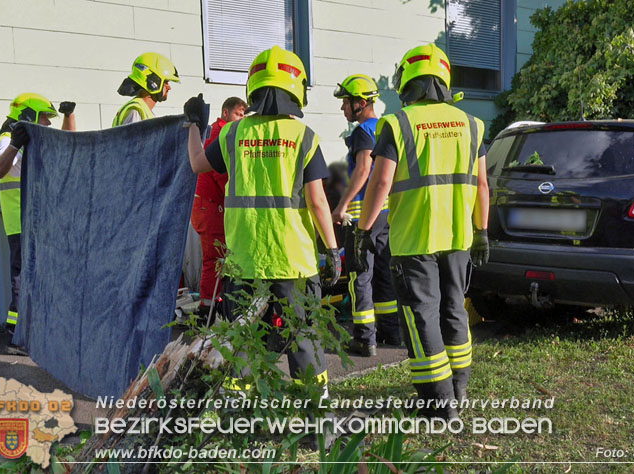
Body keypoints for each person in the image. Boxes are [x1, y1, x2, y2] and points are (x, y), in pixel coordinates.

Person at [184, 46, 340, 392]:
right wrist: (332, 249)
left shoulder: (233, 133)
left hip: (244, 261)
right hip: (294, 262)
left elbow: (197, 164)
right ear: (295, 89)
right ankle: (319, 427)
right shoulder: (304, 136)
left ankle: (241, 421)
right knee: (303, 343)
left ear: (253, 89)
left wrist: (194, 124)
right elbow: (317, 200)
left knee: (242, 345)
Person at [354, 43, 490, 418]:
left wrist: (364, 231)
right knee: (454, 309)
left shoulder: (396, 124)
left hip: (414, 239)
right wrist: (482, 231)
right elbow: (482, 185)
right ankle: (458, 390)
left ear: (407, 83)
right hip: (460, 236)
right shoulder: (472, 124)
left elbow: (380, 184)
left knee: (421, 315)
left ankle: (439, 403)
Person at [0, 93, 77, 355]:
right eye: (44, 118)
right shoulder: (7, 140)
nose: (48, 125)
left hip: (38, 222)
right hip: (20, 223)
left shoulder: (33, 143)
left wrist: (68, 116)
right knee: (22, 281)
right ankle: (16, 338)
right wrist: (15, 144)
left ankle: (35, 334)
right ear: (28, 117)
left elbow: (65, 145)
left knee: (41, 280)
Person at [331, 74, 401, 357]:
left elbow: (362, 171)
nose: (342, 108)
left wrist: (341, 206)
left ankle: (364, 338)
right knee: (383, 273)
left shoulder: (362, 132)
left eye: (345, 102)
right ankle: (390, 331)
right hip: (383, 213)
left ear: (360, 103)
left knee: (359, 274)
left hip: (361, 215)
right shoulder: (383, 128)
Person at [192, 97, 247, 316]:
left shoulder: (222, 131)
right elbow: (220, 172)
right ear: (225, 113)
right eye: (238, 114)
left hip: (212, 205)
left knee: (219, 257)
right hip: (212, 206)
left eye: (244, 115)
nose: (241, 119)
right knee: (215, 258)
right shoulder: (220, 133)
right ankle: (208, 307)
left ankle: (214, 302)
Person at [112, 52, 179, 126]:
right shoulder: (136, 111)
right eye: (166, 82)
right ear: (153, 81)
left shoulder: (143, 111)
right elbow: (131, 137)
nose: (169, 87)